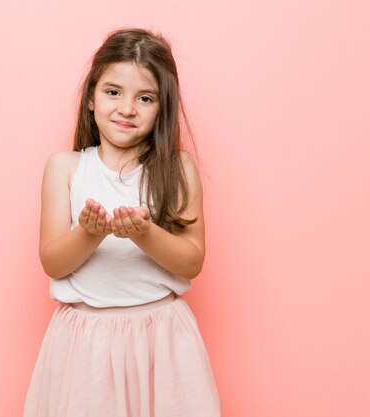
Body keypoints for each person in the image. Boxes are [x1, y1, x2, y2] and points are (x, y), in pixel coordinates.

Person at [23, 27, 221, 417]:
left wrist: (145, 234)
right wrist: (89, 233)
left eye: (145, 98)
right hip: (85, 343)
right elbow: (52, 262)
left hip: (161, 340)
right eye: (113, 92)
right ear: (92, 98)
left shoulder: (178, 168)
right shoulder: (65, 167)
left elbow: (192, 261)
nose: (127, 108)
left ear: (162, 107)